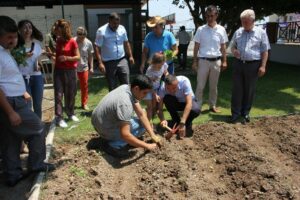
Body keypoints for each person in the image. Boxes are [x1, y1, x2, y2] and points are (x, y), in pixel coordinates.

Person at [0, 16, 54, 187]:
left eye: (14, 36)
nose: (13, 40)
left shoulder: (5, 52)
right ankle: (36, 164)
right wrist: (10, 111)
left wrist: (21, 90)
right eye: (9, 37)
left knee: (11, 139)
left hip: (14, 99)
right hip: (10, 103)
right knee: (37, 129)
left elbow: (7, 78)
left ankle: (12, 174)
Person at [91, 75, 160, 158]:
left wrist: (152, 134)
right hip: (105, 127)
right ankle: (112, 145)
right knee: (142, 128)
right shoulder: (125, 104)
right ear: (136, 88)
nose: (145, 96)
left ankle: (109, 137)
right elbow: (125, 134)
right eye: (144, 93)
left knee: (143, 123)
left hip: (99, 121)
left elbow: (141, 114)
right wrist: (147, 146)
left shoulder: (126, 87)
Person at [229, 9, 270, 124]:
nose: (244, 24)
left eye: (246, 22)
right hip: (238, 64)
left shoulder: (261, 33)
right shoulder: (238, 32)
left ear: (253, 20)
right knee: (237, 90)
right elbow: (232, 46)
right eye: (242, 21)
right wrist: (234, 51)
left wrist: (263, 66)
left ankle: (245, 112)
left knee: (249, 90)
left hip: (253, 65)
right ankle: (235, 113)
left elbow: (265, 51)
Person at [192, 5, 228, 113]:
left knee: (213, 86)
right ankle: (197, 107)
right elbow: (196, 46)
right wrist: (194, 61)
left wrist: (225, 61)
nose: (210, 18)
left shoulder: (222, 29)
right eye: (207, 16)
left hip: (216, 61)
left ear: (216, 15)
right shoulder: (200, 29)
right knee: (200, 85)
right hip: (203, 61)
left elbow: (223, 47)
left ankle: (212, 105)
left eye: (212, 16)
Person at [95, 12, 134, 91]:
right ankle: (114, 103)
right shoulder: (101, 31)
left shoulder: (122, 28)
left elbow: (126, 43)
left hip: (122, 59)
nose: (116, 25)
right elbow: (97, 47)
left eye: (117, 23)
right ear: (109, 21)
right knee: (112, 86)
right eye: (114, 23)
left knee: (126, 83)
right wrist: (100, 63)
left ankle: (126, 101)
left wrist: (130, 56)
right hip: (109, 62)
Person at [53, 19, 80, 128]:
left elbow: (77, 57)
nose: (55, 30)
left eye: (57, 28)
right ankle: (59, 118)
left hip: (70, 71)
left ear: (63, 30)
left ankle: (70, 113)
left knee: (71, 93)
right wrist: (53, 56)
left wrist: (67, 58)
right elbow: (57, 55)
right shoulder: (58, 40)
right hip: (59, 71)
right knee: (59, 95)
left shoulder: (72, 41)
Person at [17, 20, 44, 119]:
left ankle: (38, 128)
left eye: (30, 27)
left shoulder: (36, 45)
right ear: (19, 30)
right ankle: (29, 128)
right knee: (27, 105)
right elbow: (13, 62)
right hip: (22, 78)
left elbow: (37, 59)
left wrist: (38, 65)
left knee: (38, 104)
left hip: (37, 77)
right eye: (25, 27)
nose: (27, 30)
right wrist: (23, 57)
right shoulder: (15, 46)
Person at [144, 52, 169, 122]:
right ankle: (148, 123)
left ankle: (148, 120)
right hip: (148, 88)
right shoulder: (150, 70)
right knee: (150, 107)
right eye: (158, 66)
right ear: (153, 63)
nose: (159, 68)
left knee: (154, 106)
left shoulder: (164, 65)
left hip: (157, 87)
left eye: (160, 66)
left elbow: (166, 72)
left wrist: (167, 76)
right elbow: (148, 83)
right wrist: (154, 94)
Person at [74, 27, 94, 110]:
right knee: (72, 87)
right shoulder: (72, 41)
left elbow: (91, 56)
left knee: (84, 86)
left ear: (85, 35)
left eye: (83, 37)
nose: (81, 39)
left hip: (84, 67)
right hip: (73, 68)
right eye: (79, 37)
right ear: (77, 35)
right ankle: (71, 104)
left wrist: (91, 67)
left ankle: (84, 103)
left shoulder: (88, 43)